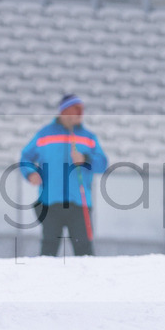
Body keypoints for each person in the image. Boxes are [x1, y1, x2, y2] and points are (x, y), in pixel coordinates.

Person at [20, 95, 108, 257]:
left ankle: (89, 281)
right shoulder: (44, 135)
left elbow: (102, 163)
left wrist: (85, 159)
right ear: (64, 111)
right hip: (50, 201)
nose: (80, 115)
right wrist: (31, 173)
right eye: (76, 111)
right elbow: (26, 157)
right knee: (48, 249)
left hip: (80, 202)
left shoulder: (88, 137)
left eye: (81, 111)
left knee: (84, 250)